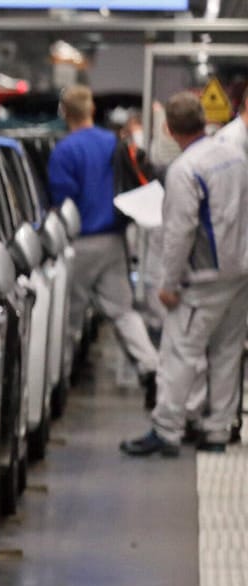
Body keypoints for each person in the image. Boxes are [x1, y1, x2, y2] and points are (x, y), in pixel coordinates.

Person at [121, 91, 248, 458]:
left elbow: (179, 232)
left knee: (180, 353)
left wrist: (168, 283)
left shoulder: (185, 170)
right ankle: (217, 432)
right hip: (239, 273)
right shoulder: (236, 156)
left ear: (168, 129)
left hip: (203, 280)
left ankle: (167, 429)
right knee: (226, 353)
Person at [48, 86, 159, 387]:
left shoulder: (65, 151)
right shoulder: (113, 142)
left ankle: (58, 381)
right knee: (123, 311)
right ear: (91, 110)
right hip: (113, 240)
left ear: (65, 113)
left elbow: (63, 204)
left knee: (67, 317)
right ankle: (151, 366)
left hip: (80, 243)